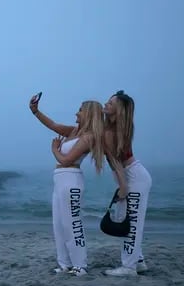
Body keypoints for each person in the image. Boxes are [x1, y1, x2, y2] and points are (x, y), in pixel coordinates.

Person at [29, 94, 105, 276]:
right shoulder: (74, 132)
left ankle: (80, 265)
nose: (76, 112)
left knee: (72, 224)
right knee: (59, 224)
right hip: (60, 180)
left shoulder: (88, 137)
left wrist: (54, 149)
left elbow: (66, 160)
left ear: (88, 114)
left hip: (71, 179)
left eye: (80, 110)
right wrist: (35, 111)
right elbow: (53, 125)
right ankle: (64, 264)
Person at [102, 90, 151, 276]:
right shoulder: (112, 129)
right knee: (127, 220)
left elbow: (116, 162)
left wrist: (123, 187)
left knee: (131, 223)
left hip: (134, 178)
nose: (106, 104)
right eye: (107, 101)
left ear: (119, 110)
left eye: (111, 103)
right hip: (130, 177)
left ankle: (129, 267)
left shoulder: (114, 132)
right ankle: (138, 261)